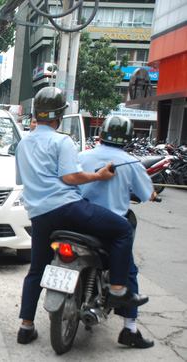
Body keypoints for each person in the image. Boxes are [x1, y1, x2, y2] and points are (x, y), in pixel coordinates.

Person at [15, 87, 148, 345]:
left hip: (39, 216)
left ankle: (26, 326)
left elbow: (22, 180)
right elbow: (70, 177)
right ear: (59, 116)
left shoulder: (23, 143)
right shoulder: (62, 141)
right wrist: (98, 176)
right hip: (68, 210)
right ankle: (119, 289)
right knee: (121, 229)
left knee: (36, 269)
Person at [79, 115, 155, 348]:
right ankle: (129, 328)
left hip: (77, 219)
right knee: (129, 269)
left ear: (101, 134)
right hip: (111, 225)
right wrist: (152, 194)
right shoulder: (131, 163)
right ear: (129, 138)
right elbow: (144, 194)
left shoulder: (81, 156)